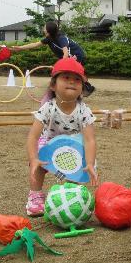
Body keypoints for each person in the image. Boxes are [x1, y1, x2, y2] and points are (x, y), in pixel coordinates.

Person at [25, 58, 98, 216]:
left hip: (73, 148)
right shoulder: (48, 108)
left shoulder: (84, 111)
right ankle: (35, 195)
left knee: (77, 170)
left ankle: (70, 196)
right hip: (49, 144)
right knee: (38, 163)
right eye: (66, 77)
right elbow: (33, 136)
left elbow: (89, 140)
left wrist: (91, 163)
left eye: (77, 79)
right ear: (53, 85)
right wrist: (34, 158)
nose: (72, 81)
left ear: (82, 88)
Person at [13, 21, 93, 95]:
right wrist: (20, 48)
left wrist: (61, 65)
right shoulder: (49, 39)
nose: (43, 29)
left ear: (49, 30)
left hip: (76, 55)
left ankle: (85, 88)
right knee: (69, 73)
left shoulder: (60, 38)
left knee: (74, 72)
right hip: (68, 56)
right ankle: (82, 88)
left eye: (44, 28)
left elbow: (65, 53)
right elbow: (35, 44)